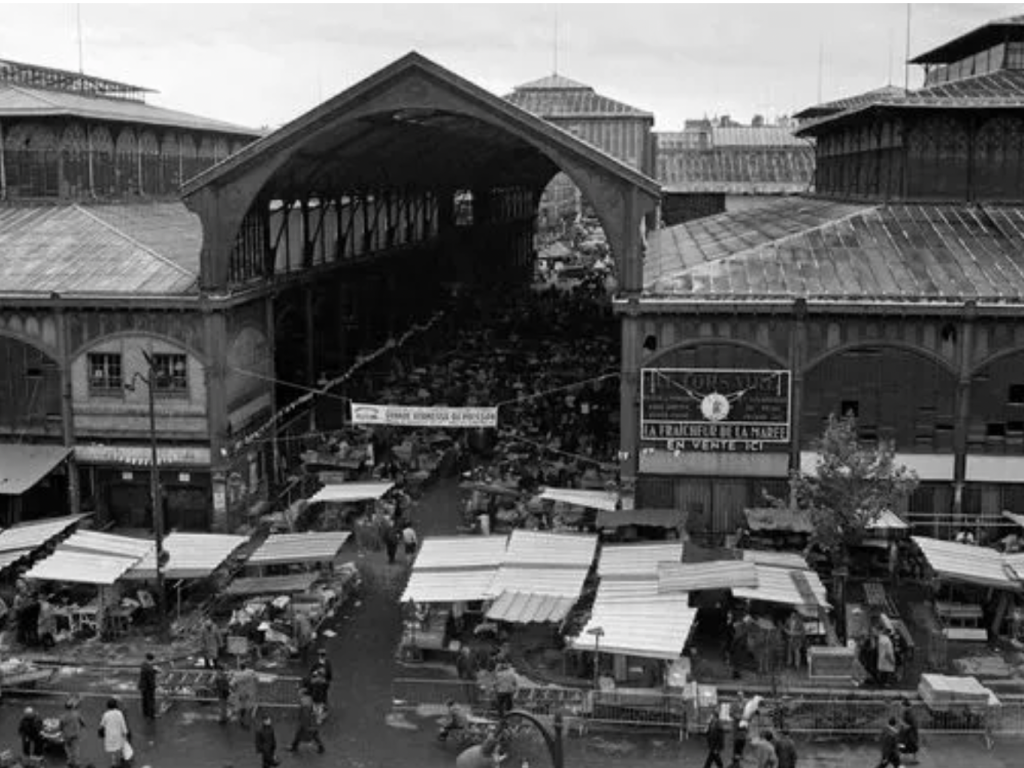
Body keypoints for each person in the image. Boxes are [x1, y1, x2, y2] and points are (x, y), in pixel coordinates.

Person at [287, 688, 325, 754]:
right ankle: (321, 747)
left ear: (303, 694)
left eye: (299, 692)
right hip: (311, 721)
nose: (298, 694)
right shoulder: (308, 699)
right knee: (314, 734)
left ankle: (294, 747)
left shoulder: (304, 702)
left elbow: (305, 714)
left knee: (302, 733)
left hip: (307, 722)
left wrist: (304, 724)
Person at [98, 698, 130, 767]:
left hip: (109, 734)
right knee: (121, 746)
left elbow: (102, 724)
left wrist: (100, 730)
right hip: (118, 733)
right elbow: (122, 723)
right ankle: (122, 757)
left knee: (112, 749)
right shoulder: (119, 713)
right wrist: (125, 732)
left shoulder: (106, 714)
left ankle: (113, 762)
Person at [61, 696, 87, 768]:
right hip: (75, 735)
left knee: (68, 749)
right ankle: (76, 763)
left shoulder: (63, 716)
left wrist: (62, 731)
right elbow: (83, 723)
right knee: (75, 749)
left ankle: (69, 762)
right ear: (72, 707)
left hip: (66, 735)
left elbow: (61, 726)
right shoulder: (77, 714)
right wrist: (82, 728)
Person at [233, 661, 259, 729]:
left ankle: (242, 721)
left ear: (240, 668)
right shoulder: (251, 672)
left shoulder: (237, 675)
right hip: (249, 693)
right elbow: (257, 679)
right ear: (246, 667)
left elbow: (233, 684)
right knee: (249, 707)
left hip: (241, 694)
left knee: (242, 707)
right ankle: (247, 722)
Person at [138, 653, 158, 719]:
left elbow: (146, 672)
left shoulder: (143, 665)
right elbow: (150, 678)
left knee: (145, 700)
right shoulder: (150, 668)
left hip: (143, 686)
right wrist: (154, 686)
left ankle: (145, 714)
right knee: (151, 701)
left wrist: (153, 670)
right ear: (152, 659)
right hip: (148, 687)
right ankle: (152, 715)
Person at [899, 698, 919, 765]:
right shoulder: (907, 712)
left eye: (902, 706)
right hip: (907, 734)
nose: (901, 707)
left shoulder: (909, 714)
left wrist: (902, 724)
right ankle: (905, 759)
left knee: (908, 746)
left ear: (905, 707)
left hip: (909, 735)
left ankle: (912, 759)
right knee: (905, 746)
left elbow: (910, 726)